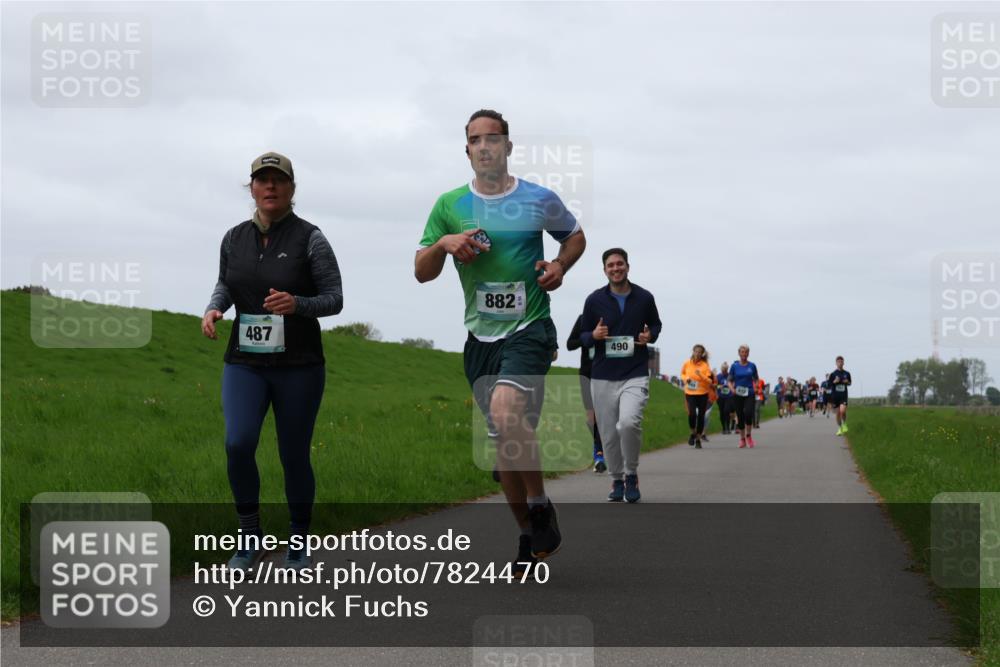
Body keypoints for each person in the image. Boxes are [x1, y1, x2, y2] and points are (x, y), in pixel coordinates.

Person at [415, 109, 586, 571]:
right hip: (480, 339)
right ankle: (530, 536)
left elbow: (574, 237)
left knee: (507, 413)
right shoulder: (449, 205)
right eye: (475, 139)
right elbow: (421, 272)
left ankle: (539, 504)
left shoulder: (538, 198)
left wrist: (559, 266)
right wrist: (444, 244)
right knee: (504, 447)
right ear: (466, 149)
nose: (485, 146)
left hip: (529, 329)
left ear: (509, 146)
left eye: (494, 138)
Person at [202, 151, 344, 571]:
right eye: (262, 180)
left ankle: (298, 540)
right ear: (252, 188)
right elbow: (226, 283)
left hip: (299, 364)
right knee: (237, 442)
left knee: (293, 454)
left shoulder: (311, 238)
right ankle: (250, 538)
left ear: (291, 190)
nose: (270, 187)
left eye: (278, 180)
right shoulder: (233, 238)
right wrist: (214, 308)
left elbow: (334, 299)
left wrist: (296, 304)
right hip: (245, 361)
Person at [580, 248, 662, 503]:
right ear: (604, 270)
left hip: (635, 372)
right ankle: (616, 478)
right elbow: (581, 336)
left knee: (628, 423)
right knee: (608, 433)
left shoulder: (644, 297)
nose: (615, 269)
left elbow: (656, 324)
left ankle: (631, 474)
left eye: (620, 264)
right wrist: (593, 336)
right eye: (610, 265)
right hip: (603, 375)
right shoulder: (594, 300)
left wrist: (651, 336)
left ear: (628, 266)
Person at [567, 314, 604, 472]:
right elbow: (570, 344)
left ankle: (602, 452)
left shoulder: (613, 319)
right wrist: (590, 337)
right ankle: (599, 452)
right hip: (586, 374)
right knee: (591, 417)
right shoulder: (583, 319)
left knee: (607, 416)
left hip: (608, 374)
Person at [680, 344, 715, 449]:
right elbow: (682, 374)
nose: (698, 354)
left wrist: (701, 375)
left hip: (703, 393)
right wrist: (686, 379)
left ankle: (698, 439)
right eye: (696, 351)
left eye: (700, 352)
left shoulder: (705, 365)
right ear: (693, 351)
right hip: (690, 392)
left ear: (702, 353)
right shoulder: (687, 363)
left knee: (701, 417)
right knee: (691, 415)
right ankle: (693, 433)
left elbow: (710, 381)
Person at [727, 345, 759, 448]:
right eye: (742, 352)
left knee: (749, 413)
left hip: (749, 393)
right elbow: (729, 380)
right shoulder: (734, 366)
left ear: (748, 353)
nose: (744, 354)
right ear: (739, 353)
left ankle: (748, 436)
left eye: (745, 352)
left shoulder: (752, 366)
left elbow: (756, 379)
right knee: (740, 416)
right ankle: (742, 439)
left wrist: (756, 387)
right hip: (737, 393)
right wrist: (732, 389)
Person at [830, 356, 853, 435]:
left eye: (841, 361)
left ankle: (844, 424)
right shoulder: (833, 374)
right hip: (835, 396)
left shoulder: (847, 373)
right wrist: (834, 382)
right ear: (836, 363)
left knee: (842, 411)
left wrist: (847, 382)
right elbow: (829, 385)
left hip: (843, 395)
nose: (840, 363)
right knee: (838, 413)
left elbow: (850, 383)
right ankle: (840, 428)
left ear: (843, 363)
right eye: (838, 361)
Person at [716, 362, 734, 434]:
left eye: (726, 369)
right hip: (720, 396)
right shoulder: (718, 376)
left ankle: (728, 428)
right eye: (723, 369)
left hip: (729, 396)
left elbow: (733, 384)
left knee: (727, 411)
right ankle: (723, 428)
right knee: (722, 412)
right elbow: (714, 385)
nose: (724, 370)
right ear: (721, 369)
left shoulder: (730, 376)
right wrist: (719, 386)